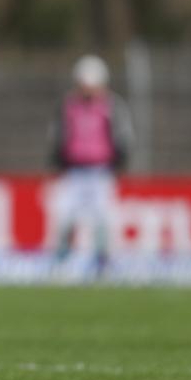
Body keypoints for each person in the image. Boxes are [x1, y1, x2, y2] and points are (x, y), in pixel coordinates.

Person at [49, 54, 133, 277]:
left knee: (103, 218)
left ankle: (102, 264)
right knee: (65, 216)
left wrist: (119, 159)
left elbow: (123, 136)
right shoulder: (68, 106)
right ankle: (61, 261)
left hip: (101, 171)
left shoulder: (112, 106)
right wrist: (58, 158)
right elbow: (58, 134)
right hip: (74, 171)